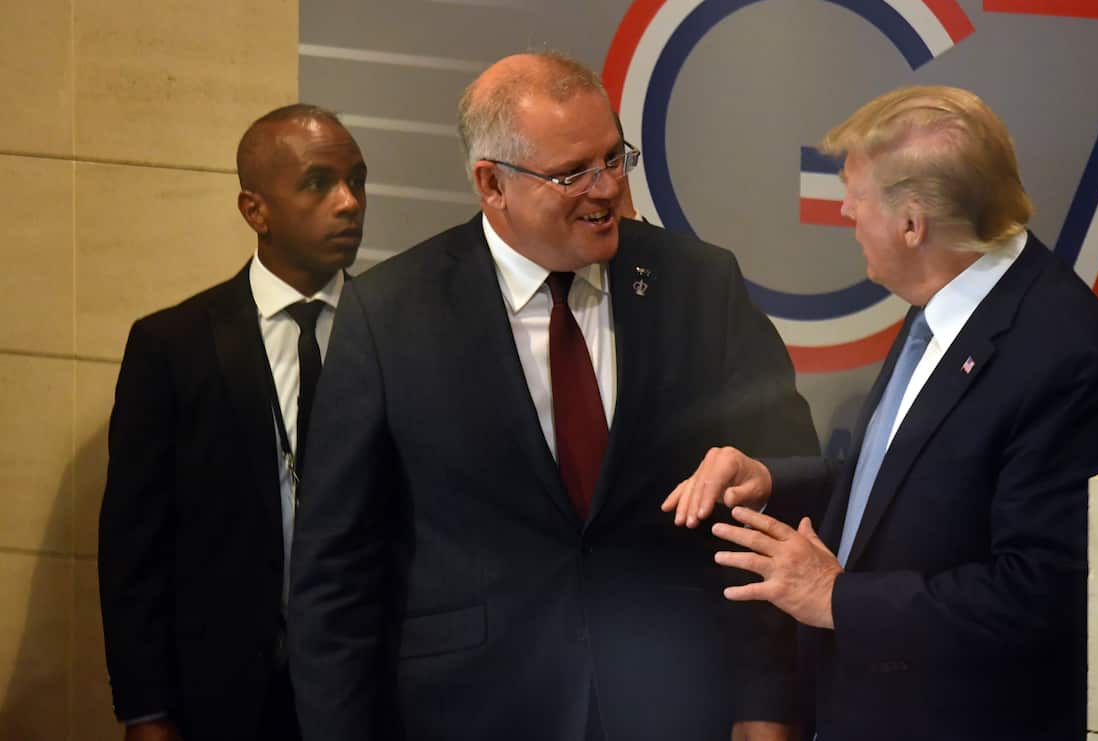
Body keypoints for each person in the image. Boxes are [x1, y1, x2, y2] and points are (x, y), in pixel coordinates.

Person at [287, 51, 819, 741]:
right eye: (572, 173)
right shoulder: (389, 314)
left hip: (676, 704)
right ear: (491, 183)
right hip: (468, 711)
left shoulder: (699, 285)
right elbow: (336, 568)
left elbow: (784, 484)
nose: (605, 190)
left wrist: (767, 702)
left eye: (612, 158)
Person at [664, 85, 1098, 740]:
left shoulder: (1068, 358)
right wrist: (774, 480)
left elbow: (1039, 594)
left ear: (912, 225)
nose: (845, 210)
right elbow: (904, 493)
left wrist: (837, 598)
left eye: (856, 195)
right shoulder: (944, 306)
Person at [98, 104, 368, 741]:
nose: (349, 202)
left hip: (363, 690)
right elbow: (134, 547)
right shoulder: (174, 345)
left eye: (357, 180)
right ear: (256, 210)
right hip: (220, 693)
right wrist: (146, 710)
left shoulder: (399, 331)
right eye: (318, 182)